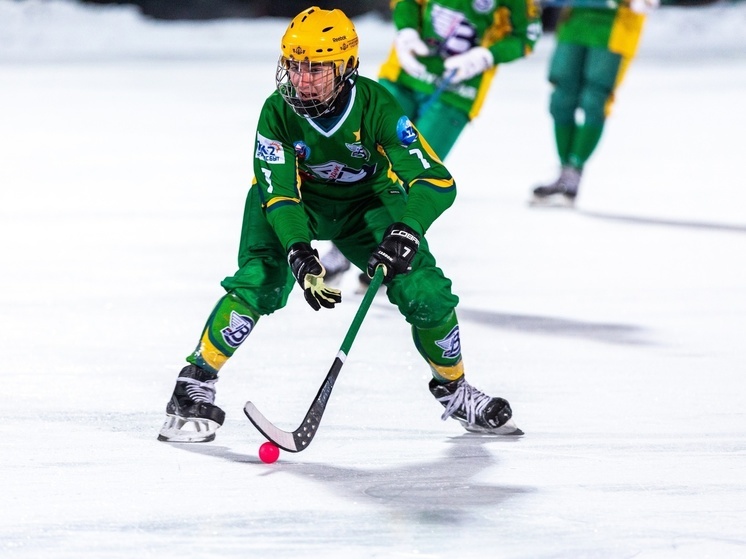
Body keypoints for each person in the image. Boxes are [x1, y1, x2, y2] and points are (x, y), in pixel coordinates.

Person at [158, 6, 522, 444]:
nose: (302, 78)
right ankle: (193, 384)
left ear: (346, 67)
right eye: (294, 65)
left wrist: (407, 228)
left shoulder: (376, 106)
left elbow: (436, 181)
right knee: (262, 280)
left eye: (316, 68)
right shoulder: (276, 112)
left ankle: (455, 391)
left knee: (426, 292)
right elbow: (279, 194)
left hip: (364, 204)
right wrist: (297, 250)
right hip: (294, 204)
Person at [321, 0, 542, 282]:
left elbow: (527, 35)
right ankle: (343, 250)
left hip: (456, 90)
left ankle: (385, 253)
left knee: (411, 174)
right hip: (405, 73)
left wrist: (486, 56)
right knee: (361, 155)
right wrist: (407, 33)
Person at [532, 0, 659, 206]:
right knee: (561, 98)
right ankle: (565, 171)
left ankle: (574, 172)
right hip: (575, 19)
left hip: (616, 23)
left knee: (595, 100)